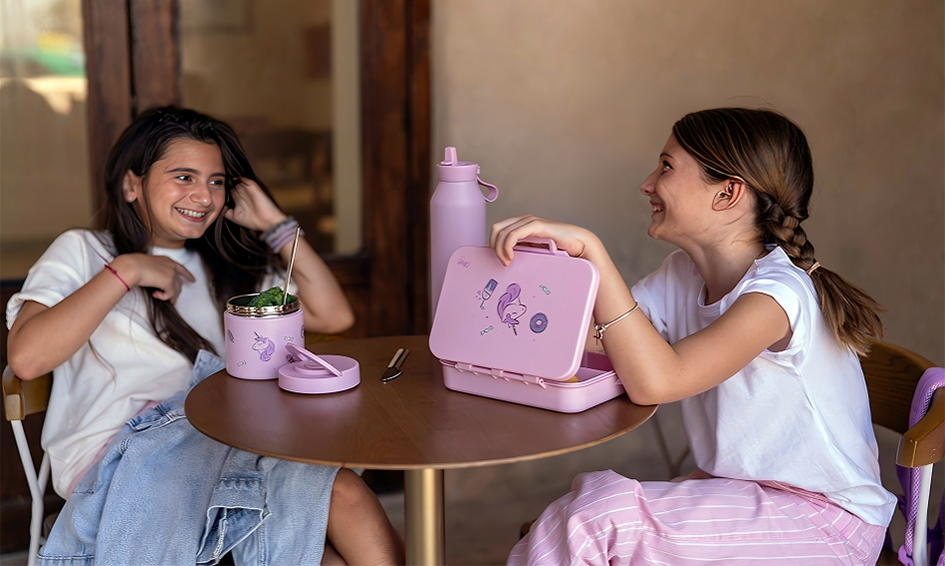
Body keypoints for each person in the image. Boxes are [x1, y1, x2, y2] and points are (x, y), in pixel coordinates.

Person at [492, 107, 895, 565]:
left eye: (666, 167)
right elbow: (600, 338)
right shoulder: (681, 274)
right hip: (743, 493)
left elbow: (660, 380)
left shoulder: (777, 296)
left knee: (593, 520)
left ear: (728, 193)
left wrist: (593, 253)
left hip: (823, 521)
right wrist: (534, 283)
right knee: (575, 517)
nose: (647, 184)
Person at [6, 106, 404, 566]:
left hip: (223, 439)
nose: (204, 196)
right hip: (124, 461)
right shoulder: (85, 251)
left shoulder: (227, 269)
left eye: (216, 182)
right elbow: (27, 358)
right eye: (184, 177)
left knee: (342, 506)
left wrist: (275, 224)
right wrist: (128, 270)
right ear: (132, 184)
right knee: (337, 497)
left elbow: (332, 315)